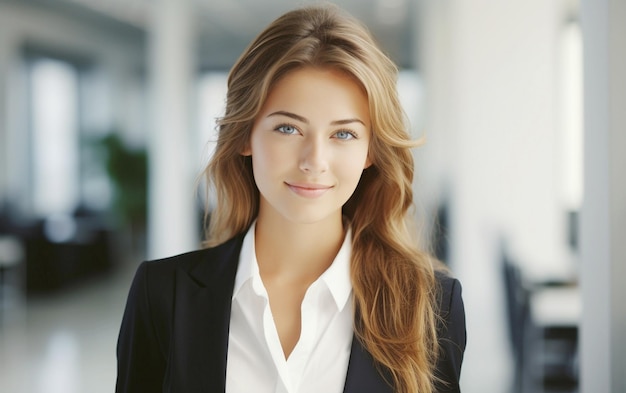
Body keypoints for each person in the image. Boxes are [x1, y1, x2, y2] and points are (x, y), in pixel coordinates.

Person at [116, 4, 466, 393]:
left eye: (344, 134)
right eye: (288, 128)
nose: (314, 161)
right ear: (246, 135)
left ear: (371, 151)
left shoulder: (430, 306)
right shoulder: (163, 295)